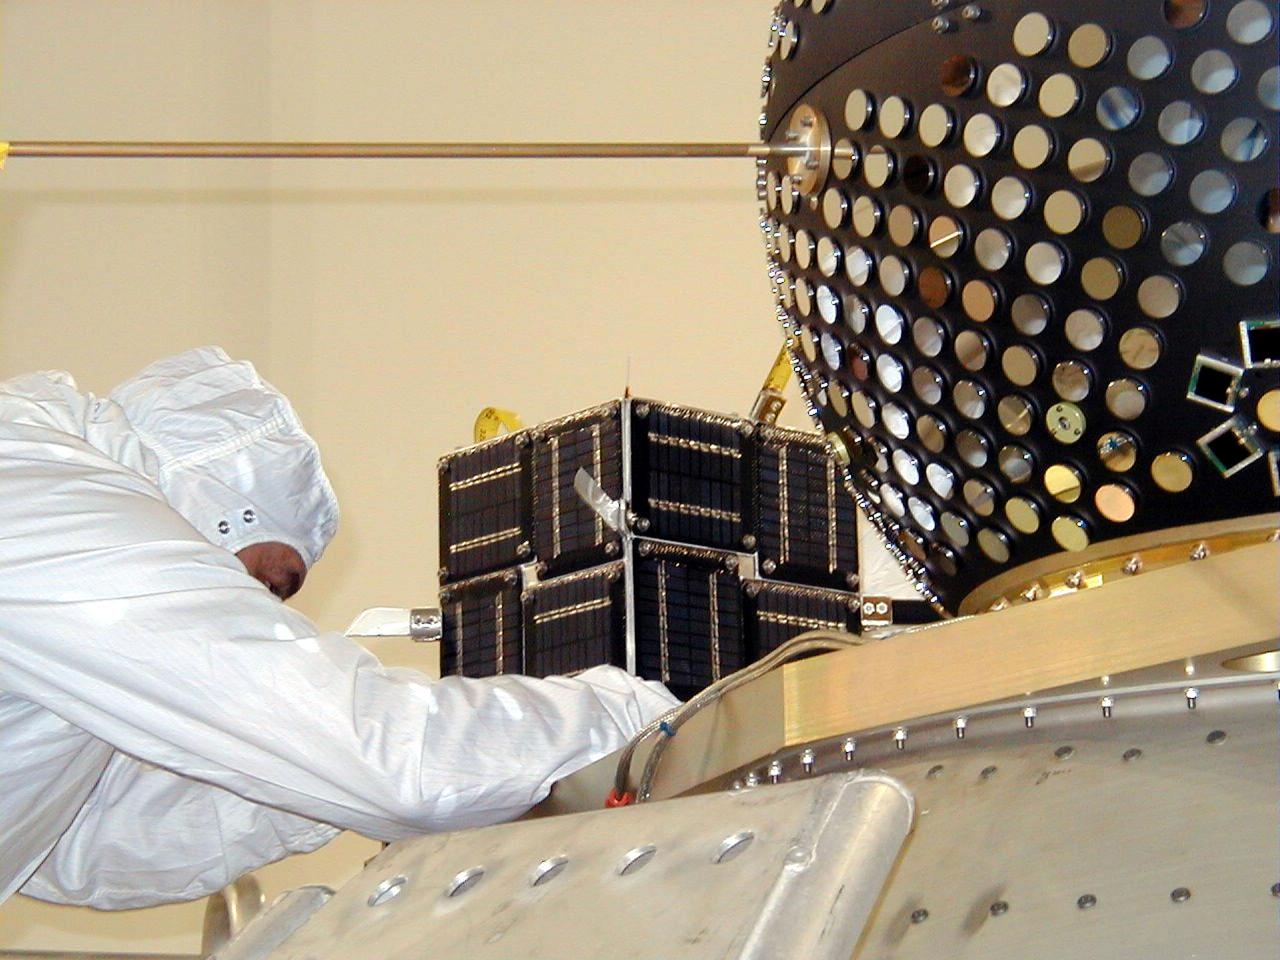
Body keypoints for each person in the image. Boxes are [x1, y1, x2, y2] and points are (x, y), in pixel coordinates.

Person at [0, 347, 677, 911]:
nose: (262, 610)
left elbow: (87, 845)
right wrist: (647, 715)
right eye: (268, 583)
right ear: (215, 501)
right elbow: (393, 761)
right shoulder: (43, 496)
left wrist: (307, 787)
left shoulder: (61, 582)